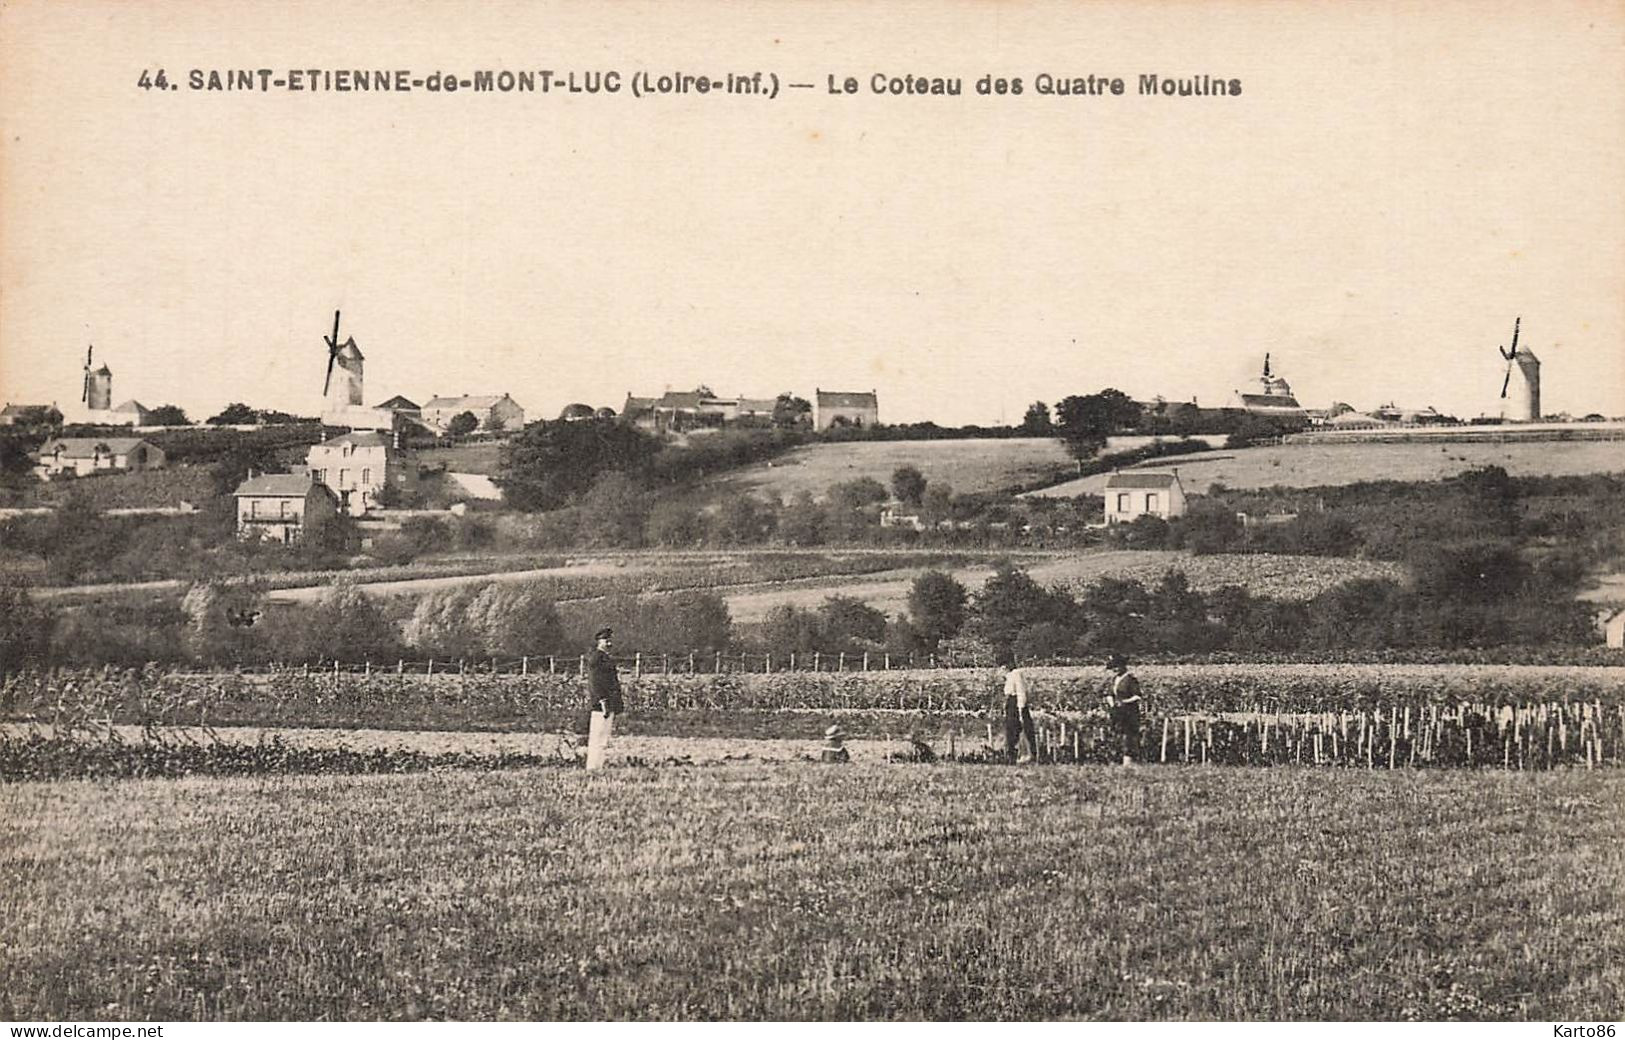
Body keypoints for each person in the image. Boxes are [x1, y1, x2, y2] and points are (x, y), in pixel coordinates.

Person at [585, 627, 624, 770]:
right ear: (599, 642)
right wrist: (603, 701)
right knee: (598, 737)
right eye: (606, 641)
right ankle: (593, 767)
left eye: (610, 641)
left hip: (607, 704)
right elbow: (596, 682)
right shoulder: (597, 658)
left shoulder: (604, 658)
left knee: (603, 738)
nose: (609, 644)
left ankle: (597, 766)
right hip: (601, 705)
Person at [1104, 653, 1144, 766]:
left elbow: (1137, 696)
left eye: (1116, 667)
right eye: (1113, 667)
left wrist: (1124, 702)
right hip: (1117, 711)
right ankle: (1116, 759)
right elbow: (1109, 693)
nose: (1114, 670)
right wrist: (1112, 704)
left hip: (1129, 711)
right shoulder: (1114, 679)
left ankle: (1128, 761)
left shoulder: (1130, 679)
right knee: (1116, 734)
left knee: (1129, 735)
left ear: (1123, 666)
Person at [1000, 660, 1037, 763]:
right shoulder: (1009, 676)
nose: (1001, 670)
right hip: (1011, 704)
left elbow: (1021, 692)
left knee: (1020, 728)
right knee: (1011, 729)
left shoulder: (1017, 674)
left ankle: (1025, 754)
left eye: (1003, 667)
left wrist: (1021, 709)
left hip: (1016, 705)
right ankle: (1012, 754)